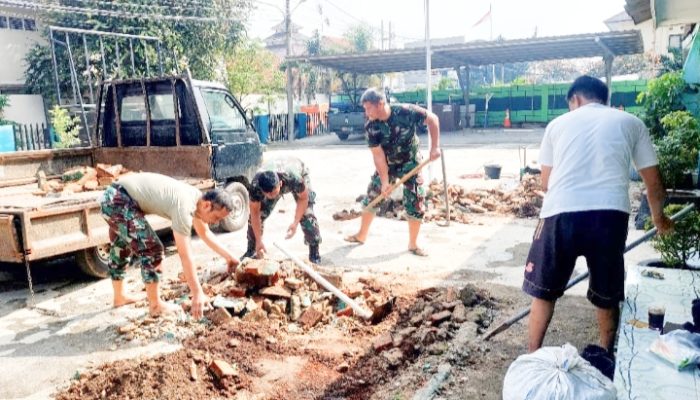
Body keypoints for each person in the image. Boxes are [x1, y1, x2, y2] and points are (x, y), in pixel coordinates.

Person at [523, 75, 673, 353]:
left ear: (575, 100)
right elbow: (653, 183)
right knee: (607, 295)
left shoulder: (556, 125)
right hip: (610, 215)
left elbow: (546, 183)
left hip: (560, 212)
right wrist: (659, 221)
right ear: (604, 99)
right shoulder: (630, 123)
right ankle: (605, 356)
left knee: (543, 292)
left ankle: (532, 356)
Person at [100, 172, 240, 319]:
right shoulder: (185, 207)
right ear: (207, 205)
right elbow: (185, 255)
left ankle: (119, 297)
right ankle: (155, 306)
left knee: (122, 245)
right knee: (152, 249)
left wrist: (229, 258)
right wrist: (197, 293)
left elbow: (204, 233)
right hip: (117, 200)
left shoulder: (197, 199)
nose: (216, 222)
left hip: (113, 197)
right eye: (216, 217)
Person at [344, 87, 441, 256]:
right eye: (364, 109)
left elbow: (433, 119)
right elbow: (378, 156)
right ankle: (361, 235)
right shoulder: (371, 126)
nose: (366, 113)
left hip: (411, 162)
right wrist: (384, 182)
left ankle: (413, 243)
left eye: (368, 108)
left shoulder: (406, 111)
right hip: (388, 164)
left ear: (380, 104)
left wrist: (435, 147)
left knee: (416, 199)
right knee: (373, 196)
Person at [243, 156, 322, 264]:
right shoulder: (256, 185)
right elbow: (255, 213)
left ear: (280, 184)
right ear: (262, 190)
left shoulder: (293, 178)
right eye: (268, 194)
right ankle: (251, 250)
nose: (272, 196)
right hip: (273, 179)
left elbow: (303, 198)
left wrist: (295, 222)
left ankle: (314, 251)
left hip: (297, 172)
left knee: (307, 214)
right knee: (255, 217)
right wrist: (259, 240)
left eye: (274, 193)